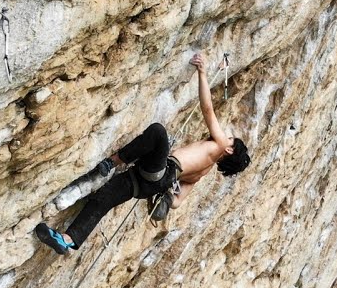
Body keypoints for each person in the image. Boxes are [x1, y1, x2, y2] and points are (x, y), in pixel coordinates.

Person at [34, 53, 250, 254]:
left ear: (229, 149)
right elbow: (177, 202)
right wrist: (166, 196)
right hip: (147, 185)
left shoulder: (219, 146)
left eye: (229, 138)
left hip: (160, 172)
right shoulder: (201, 173)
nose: (224, 136)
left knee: (158, 132)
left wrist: (203, 73)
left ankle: (112, 162)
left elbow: (208, 110)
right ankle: (67, 239)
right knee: (103, 198)